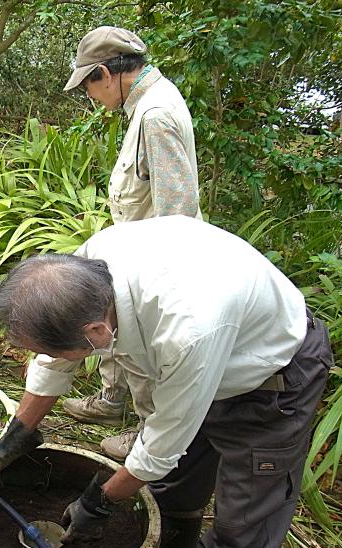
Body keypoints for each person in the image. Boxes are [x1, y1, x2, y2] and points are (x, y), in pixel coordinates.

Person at [0, 216, 333, 548]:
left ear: (97, 331)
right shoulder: (75, 274)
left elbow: (162, 443)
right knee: (172, 489)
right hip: (200, 365)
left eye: (58, 350)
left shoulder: (186, 328)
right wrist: (12, 440)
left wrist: (98, 501)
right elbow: (52, 361)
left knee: (245, 520)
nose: (52, 356)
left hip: (270, 382)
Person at [60, 26, 201, 456]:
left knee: (139, 345)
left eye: (89, 86)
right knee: (113, 330)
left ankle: (146, 436)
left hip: (153, 259)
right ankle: (109, 402)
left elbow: (177, 209)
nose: (91, 97)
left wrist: (153, 281)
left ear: (105, 73)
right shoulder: (144, 105)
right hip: (134, 246)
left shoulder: (156, 114)